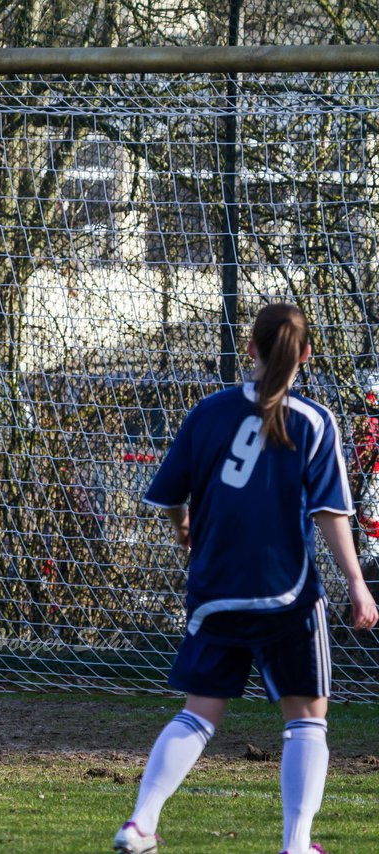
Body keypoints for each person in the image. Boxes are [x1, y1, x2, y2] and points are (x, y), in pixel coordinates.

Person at [113, 303, 379, 854]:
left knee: (197, 714)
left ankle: (140, 823)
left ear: (250, 348)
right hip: (288, 595)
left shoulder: (207, 413)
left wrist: (183, 524)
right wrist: (357, 582)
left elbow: (169, 493)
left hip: (216, 591)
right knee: (307, 720)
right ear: (305, 355)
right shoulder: (313, 420)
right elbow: (330, 513)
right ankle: (297, 844)